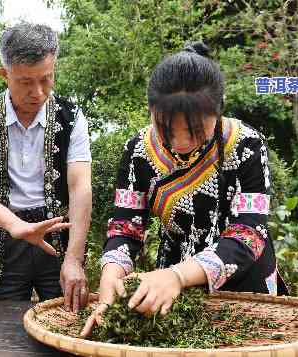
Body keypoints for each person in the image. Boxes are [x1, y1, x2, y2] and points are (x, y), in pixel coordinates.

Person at [82, 42, 287, 336]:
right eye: (165, 130)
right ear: (150, 110)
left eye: (195, 131)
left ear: (218, 111)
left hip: (243, 283)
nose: (180, 143)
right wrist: (110, 279)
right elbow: (125, 227)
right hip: (168, 287)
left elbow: (250, 232)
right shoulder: (138, 151)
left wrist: (179, 275)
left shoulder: (247, 145)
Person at [0, 22, 92, 311]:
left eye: (46, 79)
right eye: (25, 82)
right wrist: (16, 226)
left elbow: (80, 186)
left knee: (65, 319)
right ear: (4, 74)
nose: (38, 92)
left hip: (59, 237)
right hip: (1, 238)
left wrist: (74, 258)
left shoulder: (73, 118)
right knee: (0, 327)